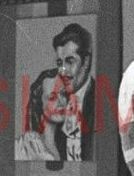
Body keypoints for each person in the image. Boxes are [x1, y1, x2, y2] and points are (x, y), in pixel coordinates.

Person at [18, 23, 94, 163]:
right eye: (60, 63)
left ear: (86, 62)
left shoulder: (98, 99)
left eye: (70, 61)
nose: (63, 70)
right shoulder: (31, 144)